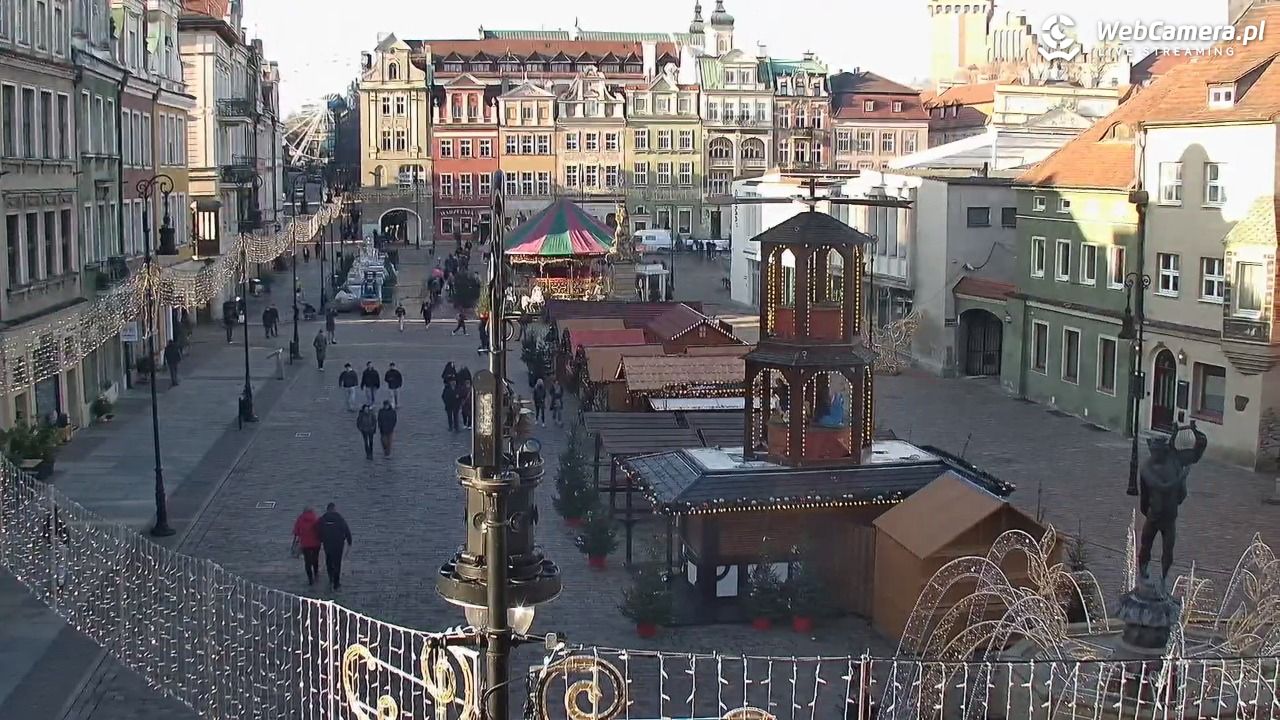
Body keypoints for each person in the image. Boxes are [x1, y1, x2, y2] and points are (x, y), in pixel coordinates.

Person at [317, 503, 352, 591]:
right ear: (334, 509)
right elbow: (346, 529)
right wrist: (349, 541)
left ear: (327, 509)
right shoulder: (339, 518)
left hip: (327, 543)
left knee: (329, 561)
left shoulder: (323, 518)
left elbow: (318, 530)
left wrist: (321, 540)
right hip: (338, 543)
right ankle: (336, 583)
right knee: (337, 563)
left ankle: (330, 578)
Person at [291, 507, 322, 585]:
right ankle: (316, 575)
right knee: (315, 559)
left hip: (305, 544)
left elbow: (296, 532)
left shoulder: (300, 519)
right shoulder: (316, 518)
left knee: (307, 561)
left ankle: (310, 580)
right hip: (316, 543)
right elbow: (320, 530)